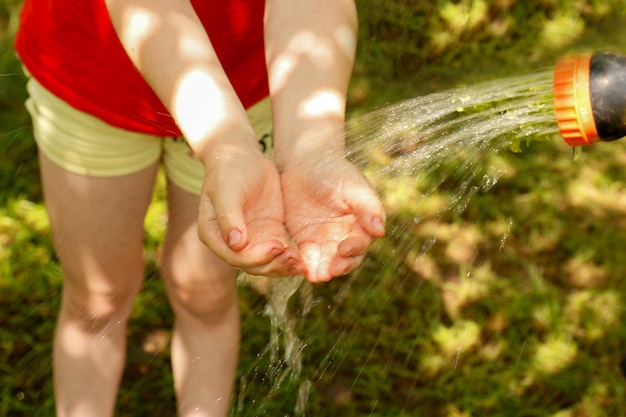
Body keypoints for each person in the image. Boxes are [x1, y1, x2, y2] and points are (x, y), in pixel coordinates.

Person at [14, 0, 386, 416]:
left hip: (249, 85)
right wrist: (225, 143)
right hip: (89, 80)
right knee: (96, 298)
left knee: (206, 293)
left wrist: (311, 151)